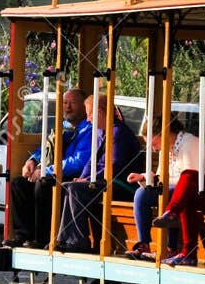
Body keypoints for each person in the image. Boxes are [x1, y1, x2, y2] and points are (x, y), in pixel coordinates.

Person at [54, 96, 141, 253]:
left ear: (100, 112)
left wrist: (88, 180)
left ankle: (78, 240)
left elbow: (115, 166)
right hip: (103, 181)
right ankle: (67, 238)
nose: (88, 119)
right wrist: (83, 177)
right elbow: (91, 161)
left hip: (122, 183)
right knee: (69, 186)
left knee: (76, 189)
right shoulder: (101, 132)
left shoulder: (119, 132)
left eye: (89, 114)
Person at [3, 89, 89, 248]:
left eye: (73, 103)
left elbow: (78, 162)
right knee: (19, 183)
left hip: (73, 178)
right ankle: (23, 235)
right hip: (52, 173)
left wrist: (46, 171)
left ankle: (43, 238)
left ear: (84, 107)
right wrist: (32, 160)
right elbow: (46, 148)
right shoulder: (62, 127)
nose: (67, 107)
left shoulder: (89, 130)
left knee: (42, 184)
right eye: (65, 103)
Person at [127, 117, 205, 261]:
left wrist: (163, 184)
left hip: (198, 191)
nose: (154, 148)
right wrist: (144, 178)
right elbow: (162, 177)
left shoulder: (191, 144)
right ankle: (144, 244)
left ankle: (171, 248)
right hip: (174, 189)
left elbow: (189, 178)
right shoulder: (167, 148)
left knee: (169, 192)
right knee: (141, 194)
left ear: (164, 134)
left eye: (154, 143)